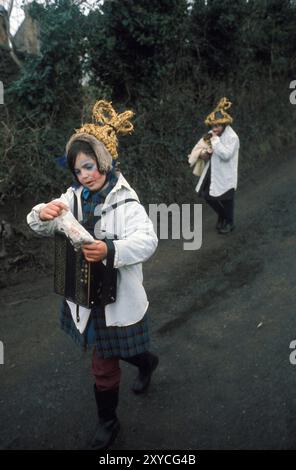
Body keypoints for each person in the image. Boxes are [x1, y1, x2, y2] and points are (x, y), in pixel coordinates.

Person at [26, 100, 159, 450]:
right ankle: (116, 409)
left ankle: (136, 375)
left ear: (105, 162)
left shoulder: (127, 202)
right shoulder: (72, 197)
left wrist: (110, 250)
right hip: (85, 291)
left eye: (90, 166)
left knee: (111, 353)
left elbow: (148, 241)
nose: (85, 175)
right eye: (78, 169)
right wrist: (43, 212)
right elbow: (37, 224)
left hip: (118, 295)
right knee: (105, 354)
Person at [188, 97, 240, 234]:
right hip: (212, 170)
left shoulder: (232, 137)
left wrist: (215, 141)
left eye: (218, 126)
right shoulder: (211, 134)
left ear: (224, 124)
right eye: (213, 126)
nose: (215, 129)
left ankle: (229, 222)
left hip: (226, 172)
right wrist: (203, 152)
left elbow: (226, 155)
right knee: (207, 195)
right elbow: (199, 146)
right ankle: (223, 216)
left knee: (227, 198)